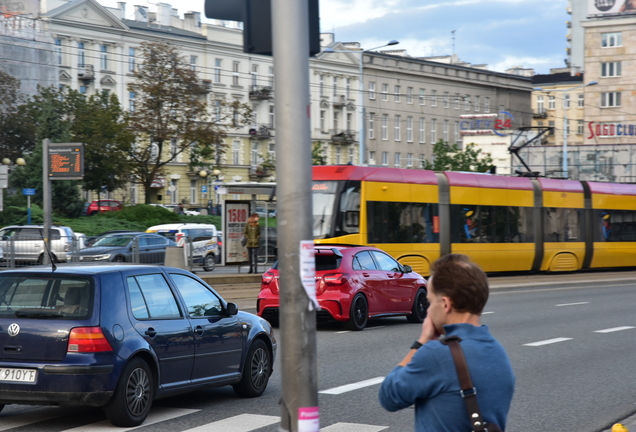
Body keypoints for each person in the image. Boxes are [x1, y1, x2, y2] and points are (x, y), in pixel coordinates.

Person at [378, 254, 515, 432]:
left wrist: (422, 341)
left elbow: (389, 396)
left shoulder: (437, 355)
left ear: (445, 304)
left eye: (430, 301)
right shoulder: (499, 353)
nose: (428, 310)